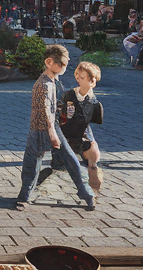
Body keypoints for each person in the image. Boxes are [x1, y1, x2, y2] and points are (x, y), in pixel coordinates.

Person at [16, 44, 96, 211]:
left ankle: (85, 192)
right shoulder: (43, 84)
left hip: (50, 127)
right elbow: (45, 108)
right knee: (33, 163)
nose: (65, 68)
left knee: (66, 160)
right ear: (49, 62)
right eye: (63, 64)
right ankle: (24, 196)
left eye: (66, 64)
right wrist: (52, 132)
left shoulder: (54, 81)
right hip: (43, 128)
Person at [58, 61, 105, 194]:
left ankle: (92, 189)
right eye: (82, 77)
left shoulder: (94, 103)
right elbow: (60, 119)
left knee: (94, 156)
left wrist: (91, 140)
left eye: (91, 79)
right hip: (64, 136)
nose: (88, 82)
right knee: (58, 166)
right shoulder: (68, 96)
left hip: (81, 137)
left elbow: (88, 125)